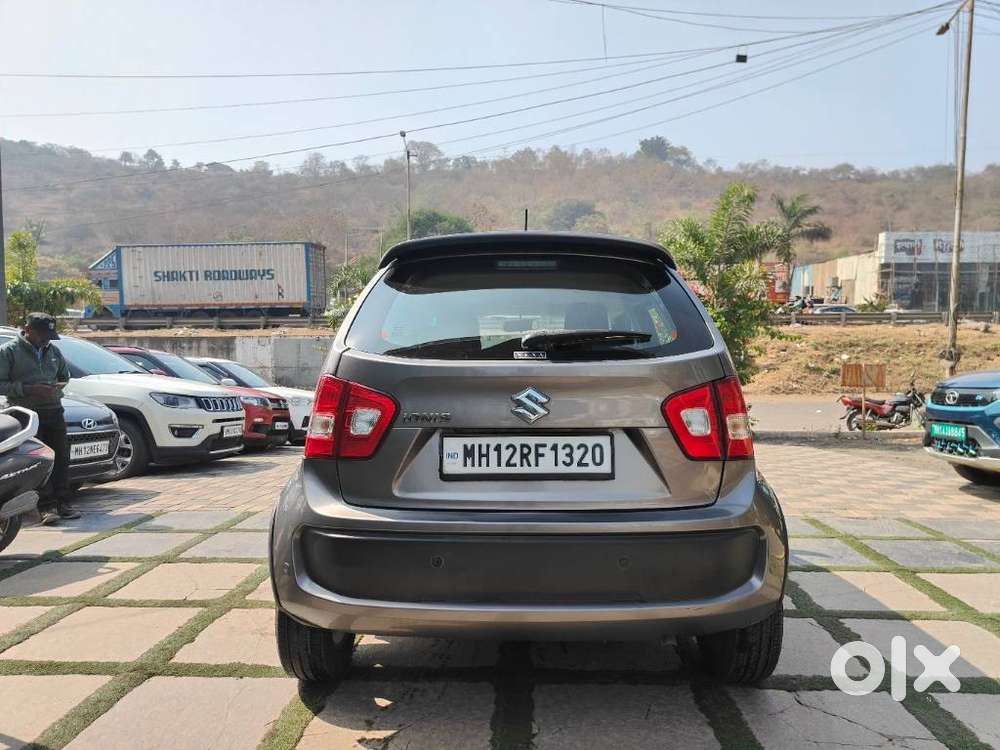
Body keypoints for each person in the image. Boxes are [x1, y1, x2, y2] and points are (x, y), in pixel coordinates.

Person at [0, 313, 81, 524]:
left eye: (49, 335)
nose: (46, 340)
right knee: (40, 458)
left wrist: (56, 389)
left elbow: (64, 376)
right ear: (28, 330)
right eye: (43, 335)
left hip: (54, 410)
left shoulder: (53, 351)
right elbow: (1, 383)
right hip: (26, 414)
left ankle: (64, 503)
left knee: (61, 457)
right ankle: (46, 508)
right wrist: (28, 389)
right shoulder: (9, 352)